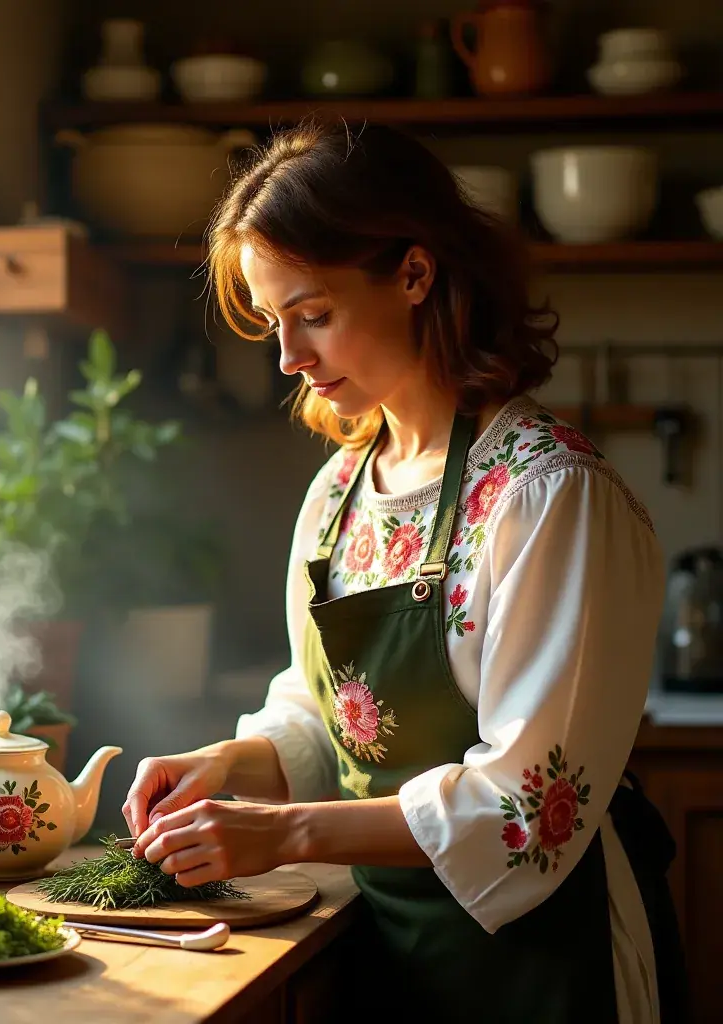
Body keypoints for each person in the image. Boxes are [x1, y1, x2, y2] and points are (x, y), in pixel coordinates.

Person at [122, 122, 687, 1023]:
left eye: (314, 313)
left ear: (415, 275)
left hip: (544, 962)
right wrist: (229, 764)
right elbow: (327, 709)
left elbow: (524, 807)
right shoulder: (341, 489)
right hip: (382, 945)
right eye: (274, 322)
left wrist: (283, 832)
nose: (288, 357)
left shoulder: (549, 496)